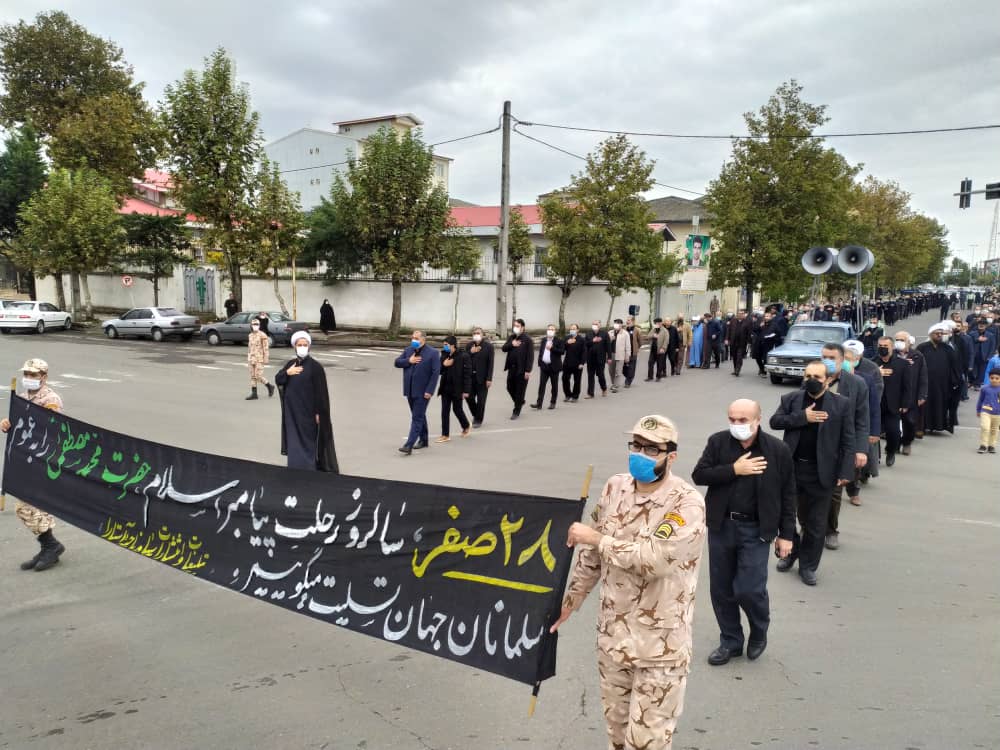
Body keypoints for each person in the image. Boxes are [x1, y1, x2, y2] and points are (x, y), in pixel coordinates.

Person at [551, 415, 706, 750]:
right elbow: (591, 554)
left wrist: (597, 539)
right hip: (613, 638)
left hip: (659, 648)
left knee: (646, 742)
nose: (641, 453)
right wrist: (571, 600)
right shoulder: (614, 487)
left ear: (671, 456)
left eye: (652, 449)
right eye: (636, 445)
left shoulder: (685, 502)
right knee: (618, 736)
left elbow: (657, 560)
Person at [691, 400, 795, 666]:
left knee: (749, 588)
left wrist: (787, 535)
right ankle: (731, 641)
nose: (737, 424)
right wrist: (734, 470)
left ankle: (759, 630)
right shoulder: (718, 442)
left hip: (757, 529)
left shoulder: (777, 450)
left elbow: (788, 494)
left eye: (743, 420)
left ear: (757, 419)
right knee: (722, 588)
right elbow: (700, 475)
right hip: (722, 526)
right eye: (732, 419)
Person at [769, 360, 854, 586]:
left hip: (822, 473)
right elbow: (775, 422)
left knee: (816, 524)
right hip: (793, 469)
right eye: (807, 376)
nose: (811, 381)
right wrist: (802, 418)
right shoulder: (791, 399)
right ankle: (791, 551)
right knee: (786, 516)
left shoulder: (841, 405)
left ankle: (808, 566)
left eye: (817, 377)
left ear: (828, 380)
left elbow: (848, 440)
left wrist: (846, 470)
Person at [0, 359, 67, 571]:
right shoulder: (21, 397)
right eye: (26, 374)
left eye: (33, 374)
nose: (28, 378)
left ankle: (51, 545)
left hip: (44, 460)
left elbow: (51, 429)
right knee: (37, 508)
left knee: (25, 506)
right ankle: (49, 546)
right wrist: (6, 424)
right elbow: (19, 427)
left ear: (44, 377)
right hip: (26, 459)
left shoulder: (51, 399)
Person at [819, 344, 870, 551]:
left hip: (840, 447)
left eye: (831, 357)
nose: (827, 360)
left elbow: (862, 419)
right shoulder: (814, 378)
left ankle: (831, 531)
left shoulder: (856, 384)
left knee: (834, 493)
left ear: (842, 360)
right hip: (815, 445)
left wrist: (860, 449)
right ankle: (809, 527)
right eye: (823, 357)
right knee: (806, 494)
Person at [275, 332, 339, 472]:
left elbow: (321, 393)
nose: (302, 347)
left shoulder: (315, 367)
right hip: (292, 413)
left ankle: (309, 467)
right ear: (295, 347)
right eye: (299, 345)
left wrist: (318, 412)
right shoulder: (290, 364)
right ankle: (295, 467)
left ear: (309, 347)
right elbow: (278, 379)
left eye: (305, 345)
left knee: (308, 440)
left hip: (308, 413)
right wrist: (287, 373)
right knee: (293, 440)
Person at [843, 339, 883, 490]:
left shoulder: (865, 379)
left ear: (856, 360)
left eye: (848, 360)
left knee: (856, 459)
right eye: (843, 359)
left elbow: (873, 407)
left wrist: (874, 431)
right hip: (837, 426)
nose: (845, 362)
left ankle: (854, 492)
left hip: (857, 425)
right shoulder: (831, 377)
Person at [394, 330, 441, 455]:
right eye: (412, 338)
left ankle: (408, 445)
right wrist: (408, 361)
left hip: (423, 392)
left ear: (423, 339)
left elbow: (435, 373)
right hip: (409, 390)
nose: (413, 340)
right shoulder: (408, 350)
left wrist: (429, 390)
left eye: (416, 338)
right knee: (419, 415)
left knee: (416, 417)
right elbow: (397, 363)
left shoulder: (433, 353)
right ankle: (424, 440)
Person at [917, 324, 962, 434]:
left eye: (941, 334)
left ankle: (938, 425)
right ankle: (923, 426)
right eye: (937, 333)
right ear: (931, 334)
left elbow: (954, 365)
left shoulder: (947, 349)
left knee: (940, 404)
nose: (939, 335)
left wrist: (955, 380)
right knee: (925, 405)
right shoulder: (922, 347)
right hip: (926, 383)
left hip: (943, 384)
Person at [895, 331, 927, 453]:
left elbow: (923, 376)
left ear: (908, 342)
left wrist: (922, 395)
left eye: (902, 340)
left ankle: (907, 442)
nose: (899, 342)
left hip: (911, 395)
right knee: (893, 423)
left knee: (909, 421)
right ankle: (894, 444)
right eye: (897, 339)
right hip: (895, 395)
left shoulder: (917, 356)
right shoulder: (892, 354)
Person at [436, 335, 471, 443]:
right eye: (444, 345)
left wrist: (466, 391)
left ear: (453, 345)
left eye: (446, 345)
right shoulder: (444, 355)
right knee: (444, 411)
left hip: (457, 389)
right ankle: (445, 435)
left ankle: (466, 425)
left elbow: (467, 375)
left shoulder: (463, 356)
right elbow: (439, 371)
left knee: (457, 410)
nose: (444, 347)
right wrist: (444, 364)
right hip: (445, 388)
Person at [501, 318, 534, 419]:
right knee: (509, 387)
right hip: (512, 368)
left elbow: (530, 356)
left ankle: (516, 411)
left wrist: (528, 370)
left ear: (522, 327)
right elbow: (504, 348)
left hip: (522, 369)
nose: (515, 328)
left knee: (520, 391)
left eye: (517, 326)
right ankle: (520, 401)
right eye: (514, 326)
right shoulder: (512, 337)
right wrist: (512, 344)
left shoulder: (528, 340)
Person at [531, 323, 564, 410]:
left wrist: (552, 348)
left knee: (554, 386)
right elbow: (541, 351)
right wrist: (540, 362)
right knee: (541, 385)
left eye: (552, 329)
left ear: (555, 331)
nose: (550, 331)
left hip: (554, 367)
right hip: (544, 366)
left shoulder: (559, 340)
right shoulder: (544, 340)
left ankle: (553, 402)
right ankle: (539, 403)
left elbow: (562, 351)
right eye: (549, 329)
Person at [465, 326, 494, 427]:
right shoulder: (469, 346)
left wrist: (489, 378)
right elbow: (464, 359)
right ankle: (476, 414)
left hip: (482, 378)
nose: (476, 335)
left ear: (482, 335)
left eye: (478, 333)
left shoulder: (488, 347)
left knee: (481, 401)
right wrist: (471, 352)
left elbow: (491, 364)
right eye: (474, 333)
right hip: (470, 378)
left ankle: (478, 420)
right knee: (469, 398)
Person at [246, 317, 275, 400]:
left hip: (259, 358)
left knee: (258, 376)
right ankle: (254, 393)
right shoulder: (250, 335)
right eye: (253, 324)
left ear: (259, 325)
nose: (255, 326)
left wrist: (266, 358)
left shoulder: (263, 335)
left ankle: (269, 386)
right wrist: (248, 356)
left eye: (257, 324)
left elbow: (266, 348)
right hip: (251, 358)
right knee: (252, 376)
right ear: (251, 325)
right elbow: (249, 347)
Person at [975, 368, 1000, 454]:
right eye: (992, 378)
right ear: (989, 378)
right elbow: (980, 400)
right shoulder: (985, 389)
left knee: (994, 430)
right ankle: (983, 445)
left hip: (997, 414)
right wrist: (978, 410)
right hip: (985, 412)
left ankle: (991, 446)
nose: (994, 380)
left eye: (997, 378)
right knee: (985, 428)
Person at [584, 320, 609, 398]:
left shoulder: (604, 334)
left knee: (600, 375)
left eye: (596, 324)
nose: (594, 325)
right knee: (590, 376)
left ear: (599, 325)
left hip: (600, 358)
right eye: (593, 324)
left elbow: (608, 346)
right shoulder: (588, 334)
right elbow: (585, 345)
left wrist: (610, 357)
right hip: (590, 358)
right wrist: (592, 341)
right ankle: (590, 393)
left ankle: (604, 389)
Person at [561, 323, 586, 402]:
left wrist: (582, 363)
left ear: (578, 330)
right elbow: (562, 349)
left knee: (577, 381)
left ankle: (575, 396)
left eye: (574, 329)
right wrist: (567, 343)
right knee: (564, 379)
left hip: (577, 364)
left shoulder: (581, 339)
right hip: (567, 363)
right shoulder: (566, 338)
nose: (572, 330)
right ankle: (568, 394)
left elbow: (584, 352)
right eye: (571, 329)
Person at [608, 318, 631, 393]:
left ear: (621, 325)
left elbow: (628, 345)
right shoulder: (610, 332)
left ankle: (616, 386)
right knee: (611, 371)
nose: (616, 325)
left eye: (618, 323)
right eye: (615, 323)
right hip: (611, 354)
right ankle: (613, 383)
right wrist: (610, 339)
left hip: (620, 354)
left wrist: (627, 355)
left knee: (618, 371)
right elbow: (605, 344)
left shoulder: (625, 333)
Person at [726, 310, 750, 377]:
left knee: (739, 357)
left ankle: (737, 370)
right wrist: (727, 339)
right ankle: (735, 369)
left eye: (742, 314)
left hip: (742, 343)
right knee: (734, 356)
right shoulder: (733, 321)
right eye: (739, 313)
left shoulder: (747, 322)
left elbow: (749, 332)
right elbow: (729, 330)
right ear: (737, 314)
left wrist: (749, 342)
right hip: (733, 342)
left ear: (744, 315)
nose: (740, 315)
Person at [645, 317, 669, 382]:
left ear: (661, 323)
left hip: (660, 349)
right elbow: (647, 337)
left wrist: (663, 348)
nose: (657, 324)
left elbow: (666, 341)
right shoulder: (654, 329)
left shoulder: (665, 331)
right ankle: (650, 376)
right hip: (653, 349)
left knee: (659, 364)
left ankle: (658, 377)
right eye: (655, 323)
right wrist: (653, 335)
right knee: (650, 363)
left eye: (658, 323)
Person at [623, 316, 642, 387]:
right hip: (624, 352)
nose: (627, 321)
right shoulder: (624, 329)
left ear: (633, 322)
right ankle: (629, 376)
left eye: (629, 320)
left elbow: (640, 341)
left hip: (633, 352)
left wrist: (636, 348)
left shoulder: (637, 330)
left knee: (631, 367)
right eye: (627, 320)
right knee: (623, 367)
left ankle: (628, 381)